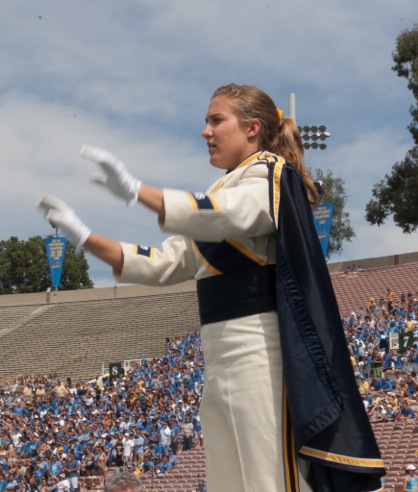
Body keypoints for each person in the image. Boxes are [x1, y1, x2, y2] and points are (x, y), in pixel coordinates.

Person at [38, 83, 385, 491]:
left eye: (216, 120)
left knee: (268, 482)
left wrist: (138, 191)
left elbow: (227, 216)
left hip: (261, 355)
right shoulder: (225, 187)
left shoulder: (271, 173)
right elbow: (166, 262)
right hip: (220, 359)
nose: (206, 131)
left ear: (252, 127)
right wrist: (85, 237)